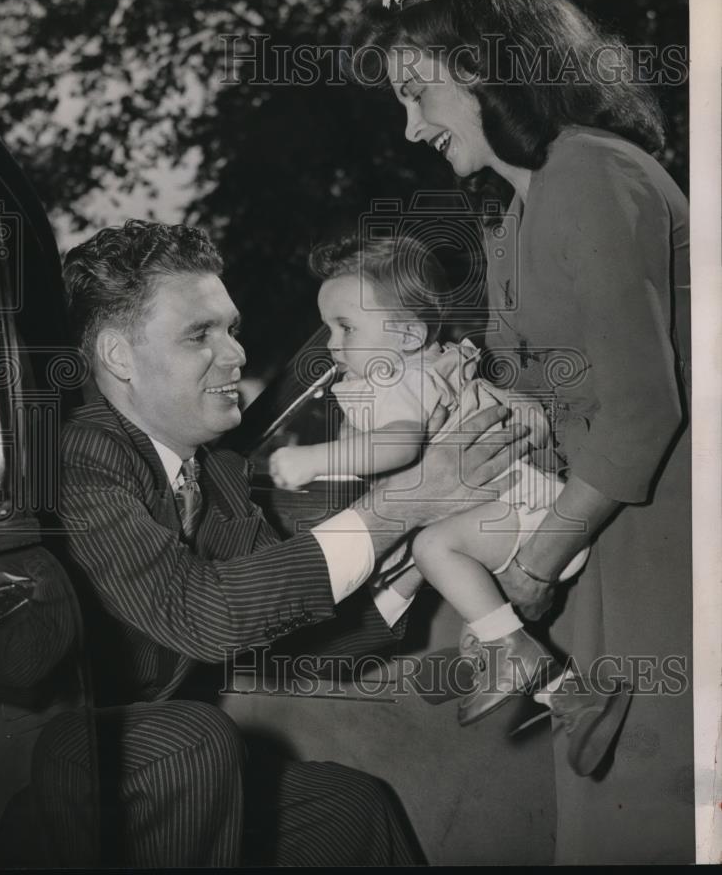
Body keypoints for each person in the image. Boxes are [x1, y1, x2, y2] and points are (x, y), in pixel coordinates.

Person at [349, 0, 692, 863]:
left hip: (655, 539)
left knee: (650, 817)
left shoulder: (590, 171)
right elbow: (549, 391)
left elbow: (638, 413)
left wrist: (532, 570)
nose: (411, 128)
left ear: (480, 67)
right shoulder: (516, 209)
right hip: (600, 538)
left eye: (417, 93)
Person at [49, 218, 528, 867]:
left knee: (348, 808)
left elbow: (303, 652)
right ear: (117, 356)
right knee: (192, 742)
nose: (236, 355)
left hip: (170, 759)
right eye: (199, 334)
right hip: (51, 768)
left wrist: (417, 547)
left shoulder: (213, 474)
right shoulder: (84, 455)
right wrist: (403, 501)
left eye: (231, 329)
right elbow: (206, 618)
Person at [269, 232, 628, 777]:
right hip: (504, 509)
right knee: (467, 600)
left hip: (523, 507)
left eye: (346, 328)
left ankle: (517, 658)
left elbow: (400, 446)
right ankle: (573, 698)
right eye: (330, 330)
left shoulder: (400, 381)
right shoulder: (399, 375)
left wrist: (315, 459)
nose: (332, 346)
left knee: (435, 547)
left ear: (409, 334)